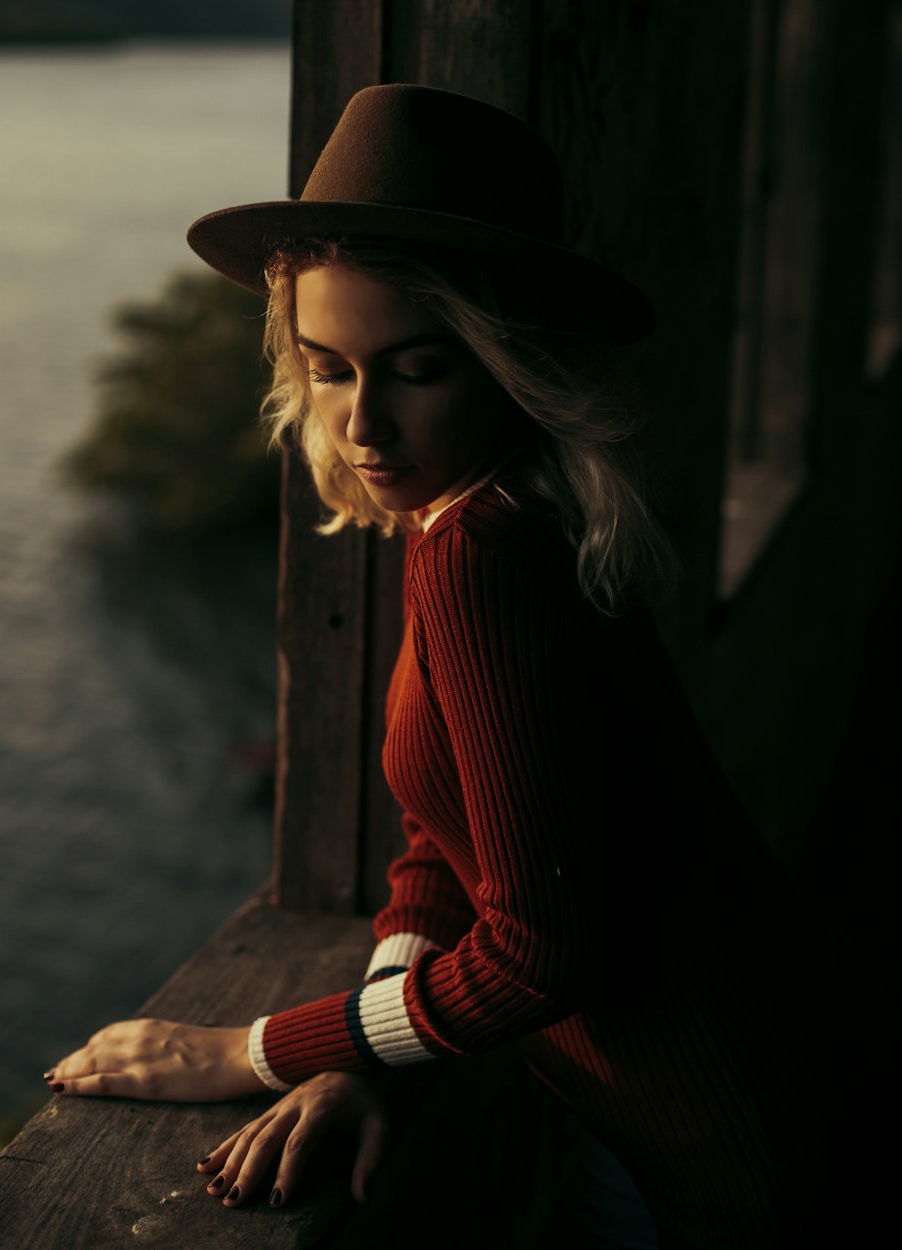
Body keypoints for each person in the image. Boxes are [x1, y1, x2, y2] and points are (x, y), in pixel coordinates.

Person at [44, 85, 864, 1248]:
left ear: (504, 357)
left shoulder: (486, 554)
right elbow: (447, 845)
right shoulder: (487, 520)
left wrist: (249, 1047)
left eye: (415, 367)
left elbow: (539, 946)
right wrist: (367, 1045)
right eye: (330, 368)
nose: (363, 421)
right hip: (701, 1114)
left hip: (754, 1141)